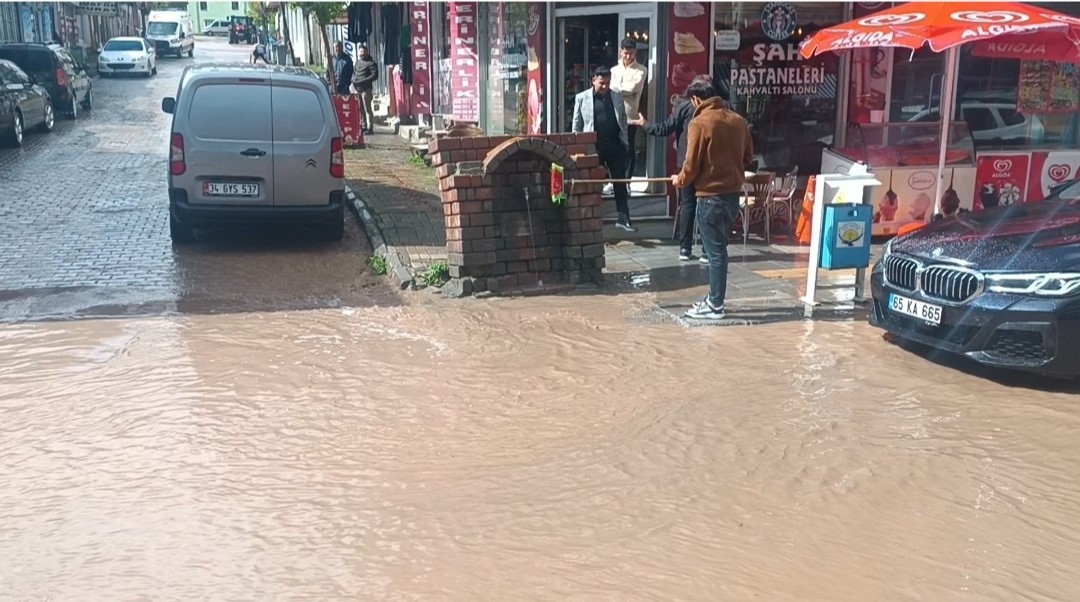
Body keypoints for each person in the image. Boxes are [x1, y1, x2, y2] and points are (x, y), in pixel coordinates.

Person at [672, 81, 753, 320]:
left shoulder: (699, 123)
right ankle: (713, 299)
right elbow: (748, 156)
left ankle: (716, 304)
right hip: (731, 197)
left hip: (710, 197)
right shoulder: (738, 120)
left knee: (716, 252)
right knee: (719, 250)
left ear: (696, 99)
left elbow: (691, 164)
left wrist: (680, 180)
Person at [631, 74, 713, 263]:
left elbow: (664, 128)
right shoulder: (716, 110)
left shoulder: (684, 107)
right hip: (708, 165)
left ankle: (685, 248)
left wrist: (645, 124)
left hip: (687, 162)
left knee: (687, 206)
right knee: (705, 206)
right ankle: (706, 251)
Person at [572, 66, 636, 232]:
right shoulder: (582, 98)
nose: (605, 86)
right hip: (594, 146)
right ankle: (590, 218)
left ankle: (623, 217)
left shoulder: (616, 97)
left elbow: (622, 118)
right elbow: (577, 124)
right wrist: (578, 145)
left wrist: (625, 142)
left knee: (619, 181)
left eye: (607, 83)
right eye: (601, 83)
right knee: (592, 182)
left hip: (614, 144)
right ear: (593, 81)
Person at [611, 38, 648, 183]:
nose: (628, 56)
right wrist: (622, 89)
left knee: (629, 149)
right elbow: (611, 88)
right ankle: (615, 180)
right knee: (614, 149)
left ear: (635, 52)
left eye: (631, 53)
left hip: (631, 117)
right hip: (614, 115)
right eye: (625, 53)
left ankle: (627, 181)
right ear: (621, 52)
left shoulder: (641, 70)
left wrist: (619, 88)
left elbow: (634, 88)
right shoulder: (614, 70)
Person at [351, 44, 379, 134]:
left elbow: (375, 75)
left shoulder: (371, 63)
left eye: (363, 51)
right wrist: (353, 80)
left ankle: (370, 128)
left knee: (367, 109)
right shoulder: (357, 62)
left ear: (367, 52)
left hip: (366, 90)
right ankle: (363, 126)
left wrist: (364, 80)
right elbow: (354, 73)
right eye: (360, 51)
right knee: (360, 109)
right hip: (357, 89)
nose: (362, 53)